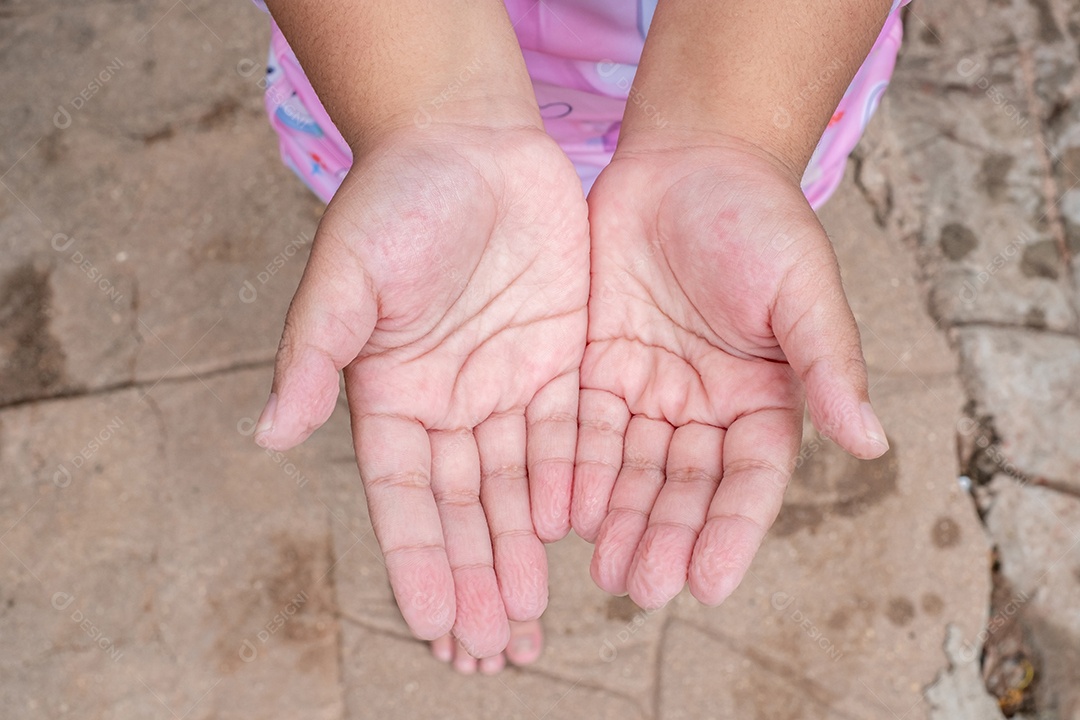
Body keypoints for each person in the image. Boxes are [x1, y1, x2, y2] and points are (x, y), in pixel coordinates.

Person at [250, 0, 903, 675]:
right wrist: (424, 121)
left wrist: (732, 141)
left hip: (763, 75)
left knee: (548, 411)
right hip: (385, 62)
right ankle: (491, 568)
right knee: (445, 338)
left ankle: (495, 561)